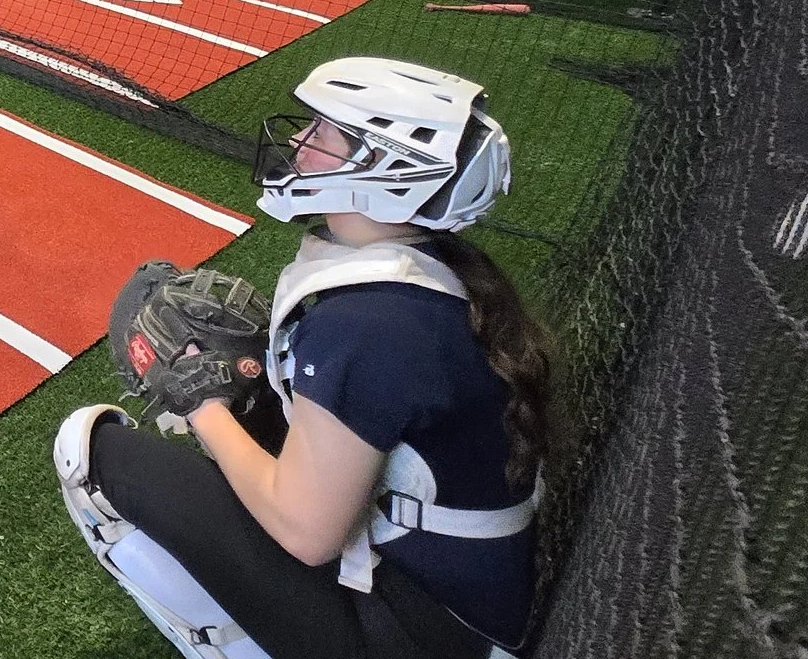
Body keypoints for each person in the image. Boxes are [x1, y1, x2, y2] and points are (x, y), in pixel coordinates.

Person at [54, 57, 549, 659]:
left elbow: (308, 535)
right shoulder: (434, 273)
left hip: (425, 634)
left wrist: (200, 403)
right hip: (467, 605)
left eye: (323, 134)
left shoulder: (364, 328)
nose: (298, 143)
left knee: (92, 451)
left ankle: (233, 647)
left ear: (386, 168)